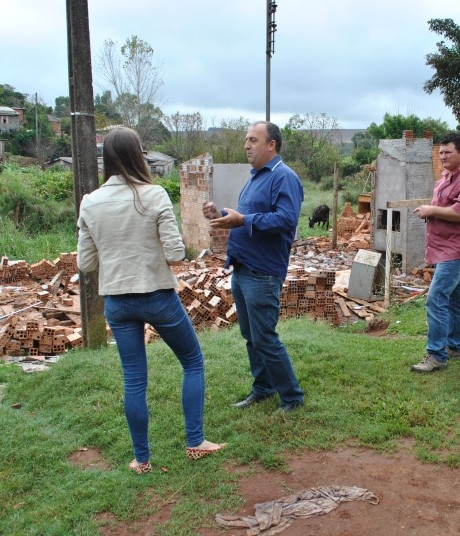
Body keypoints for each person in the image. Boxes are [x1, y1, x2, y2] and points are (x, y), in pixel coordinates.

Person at [77, 126, 224, 472]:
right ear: (138, 155)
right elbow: (175, 253)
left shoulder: (90, 202)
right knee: (192, 361)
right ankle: (195, 440)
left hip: (117, 300)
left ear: (107, 159)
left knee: (134, 380)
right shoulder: (154, 195)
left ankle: (141, 459)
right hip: (157, 295)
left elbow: (85, 263)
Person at [202, 121, 305, 413]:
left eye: (252, 140)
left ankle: (292, 397)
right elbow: (244, 216)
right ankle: (263, 388)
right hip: (243, 268)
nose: (246, 145)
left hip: (262, 272)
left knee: (265, 338)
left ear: (271, 144)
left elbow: (286, 220)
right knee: (251, 337)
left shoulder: (284, 178)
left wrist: (242, 220)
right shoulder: (256, 177)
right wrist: (220, 213)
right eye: (246, 140)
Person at [411, 132, 460, 372]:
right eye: (440, 152)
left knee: (436, 298)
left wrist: (431, 210)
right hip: (442, 245)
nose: (442, 157)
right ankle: (454, 347)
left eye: (447, 152)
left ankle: (436, 355)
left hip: (456, 247)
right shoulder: (446, 176)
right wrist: (432, 211)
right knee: (454, 299)